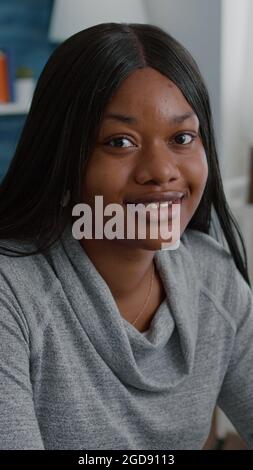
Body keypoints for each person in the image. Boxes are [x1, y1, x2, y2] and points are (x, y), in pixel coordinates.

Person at [0, 22, 252, 451]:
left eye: (182, 138)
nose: (161, 170)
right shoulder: (12, 293)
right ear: (63, 154)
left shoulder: (214, 277)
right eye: (120, 141)